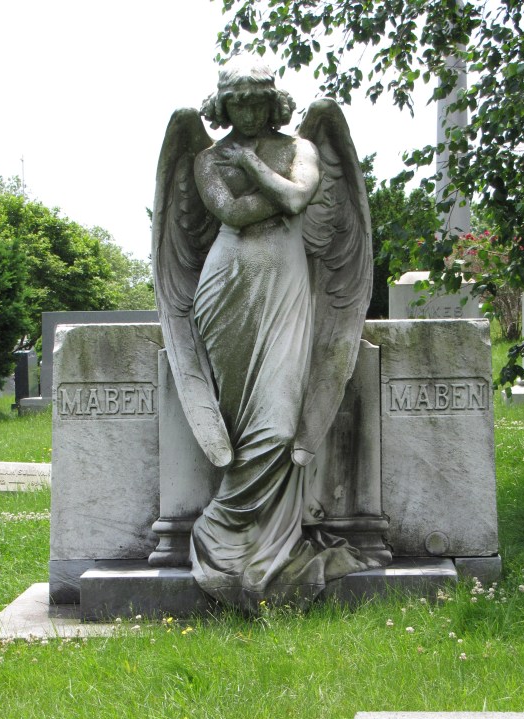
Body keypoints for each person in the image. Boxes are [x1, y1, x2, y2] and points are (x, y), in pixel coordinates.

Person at [179, 58, 379, 609]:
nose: (247, 111)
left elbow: (296, 199)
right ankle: (240, 537)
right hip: (227, 289)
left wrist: (253, 167)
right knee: (237, 422)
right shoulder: (205, 158)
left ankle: (220, 525)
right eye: (237, 102)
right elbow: (232, 213)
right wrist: (279, 192)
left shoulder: (300, 148)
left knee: (278, 424)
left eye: (256, 100)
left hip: (286, 287)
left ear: (272, 102)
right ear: (223, 105)